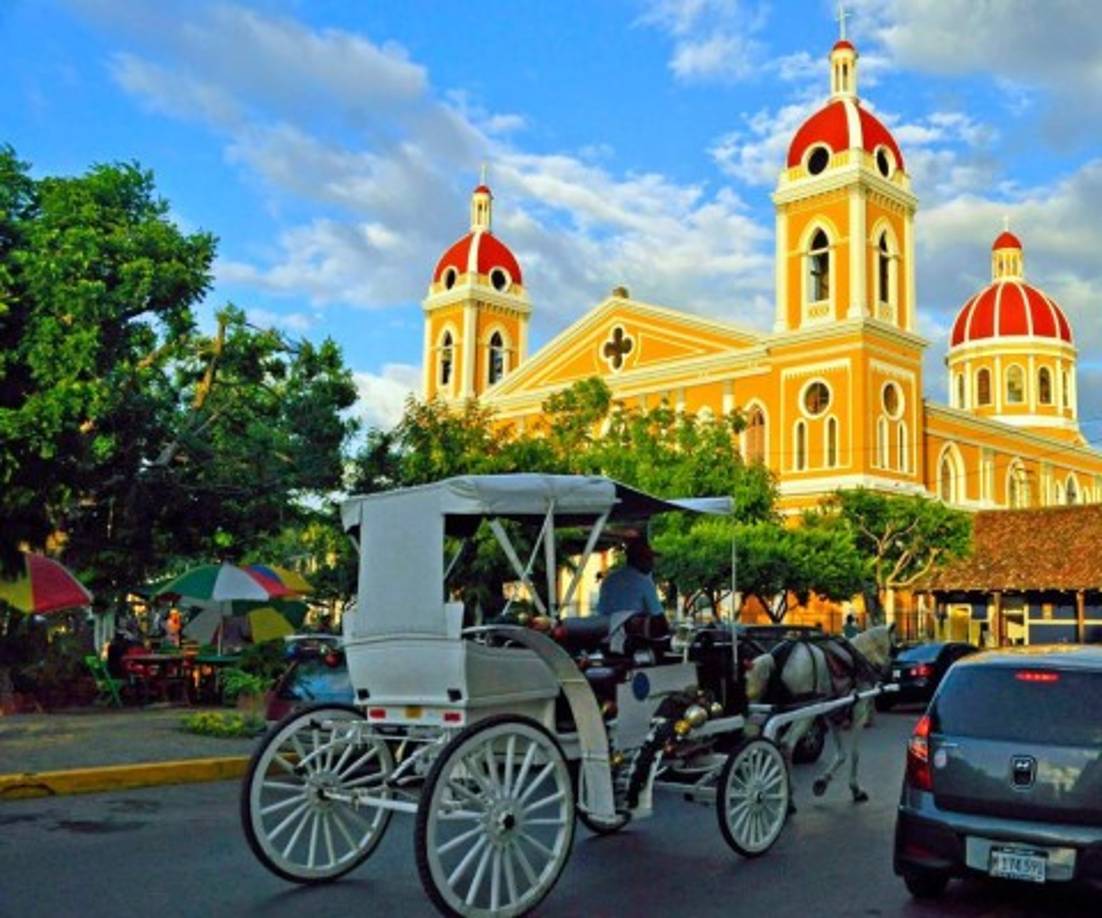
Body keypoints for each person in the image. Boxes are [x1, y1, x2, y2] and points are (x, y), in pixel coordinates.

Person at [596, 537, 664, 617]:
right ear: (638, 559)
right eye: (648, 558)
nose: (652, 563)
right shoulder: (644, 582)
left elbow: (601, 612)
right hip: (634, 629)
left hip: (610, 628)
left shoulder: (608, 580)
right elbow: (658, 615)